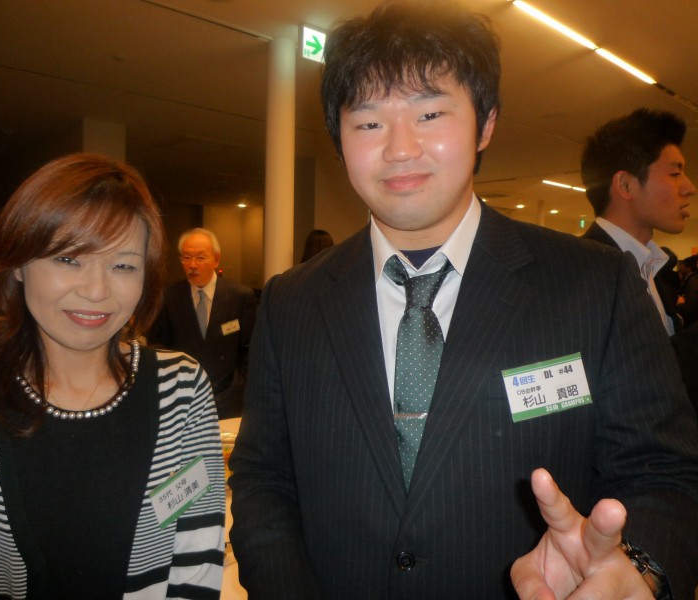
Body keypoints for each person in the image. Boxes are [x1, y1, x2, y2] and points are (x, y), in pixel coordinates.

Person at [228, 1, 698, 598]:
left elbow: (665, 471)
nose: (400, 148)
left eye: (429, 113)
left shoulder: (594, 284)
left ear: (486, 123)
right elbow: (264, 477)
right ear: (339, 140)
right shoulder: (292, 302)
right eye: (368, 122)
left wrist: (639, 569)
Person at [0, 154, 226, 599]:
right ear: (18, 263)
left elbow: (195, 561)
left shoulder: (182, 388)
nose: (96, 291)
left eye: (123, 265)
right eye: (68, 259)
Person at [581, 108, 695, 335]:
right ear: (625, 185)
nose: (690, 188)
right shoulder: (583, 275)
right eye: (675, 174)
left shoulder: (651, 267)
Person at [148, 228, 256, 419]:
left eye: (200, 258)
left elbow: (250, 351)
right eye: (186, 258)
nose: (192, 265)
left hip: (229, 400)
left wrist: (238, 391)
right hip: (183, 399)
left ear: (216, 259)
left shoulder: (240, 297)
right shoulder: (169, 298)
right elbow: (159, 348)